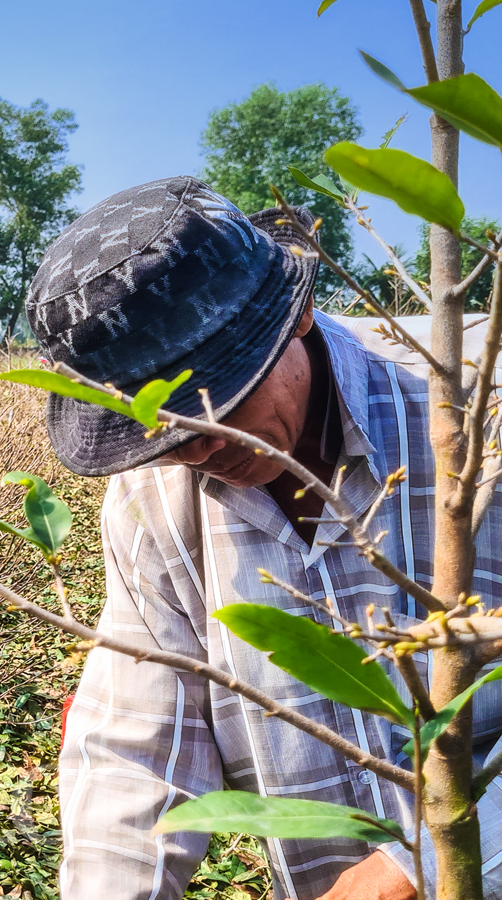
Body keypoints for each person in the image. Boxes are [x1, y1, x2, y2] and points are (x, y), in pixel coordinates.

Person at [28, 176, 502, 900]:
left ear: (301, 313)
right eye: (160, 429)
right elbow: (134, 752)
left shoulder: (473, 421)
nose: (193, 450)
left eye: (216, 398)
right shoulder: (149, 501)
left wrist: (417, 863)